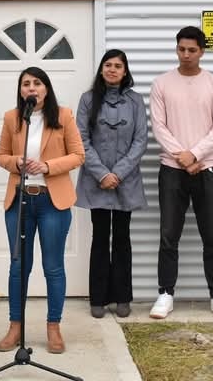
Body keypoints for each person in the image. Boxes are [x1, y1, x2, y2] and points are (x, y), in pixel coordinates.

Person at [0, 67, 84, 355]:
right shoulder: (12, 118)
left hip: (51, 202)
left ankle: (53, 327)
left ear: (46, 88)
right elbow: (1, 156)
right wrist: (15, 164)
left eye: (37, 83)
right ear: (20, 90)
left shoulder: (64, 116)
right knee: (18, 265)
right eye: (25, 84)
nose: (31, 88)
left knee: (53, 267)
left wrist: (47, 166)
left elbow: (78, 155)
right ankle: (15, 327)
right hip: (20, 200)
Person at [149, 26, 213, 321]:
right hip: (172, 169)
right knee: (168, 234)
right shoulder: (162, 84)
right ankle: (165, 293)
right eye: (181, 49)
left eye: (192, 50)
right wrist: (183, 157)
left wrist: (195, 154)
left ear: (202, 51)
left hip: (208, 169)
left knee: (211, 235)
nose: (186, 55)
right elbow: (159, 126)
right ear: (176, 49)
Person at [75, 49, 148, 319]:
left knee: (122, 239)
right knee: (99, 238)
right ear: (101, 69)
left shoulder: (135, 101)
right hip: (97, 182)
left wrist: (117, 173)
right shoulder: (88, 100)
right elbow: (81, 139)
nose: (112, 70)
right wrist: (102, 174)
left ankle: (122, 297)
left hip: (125, 182)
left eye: (118, 66)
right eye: (108, 65)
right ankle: (98, 298)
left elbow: (141, 141)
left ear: (125, 71)